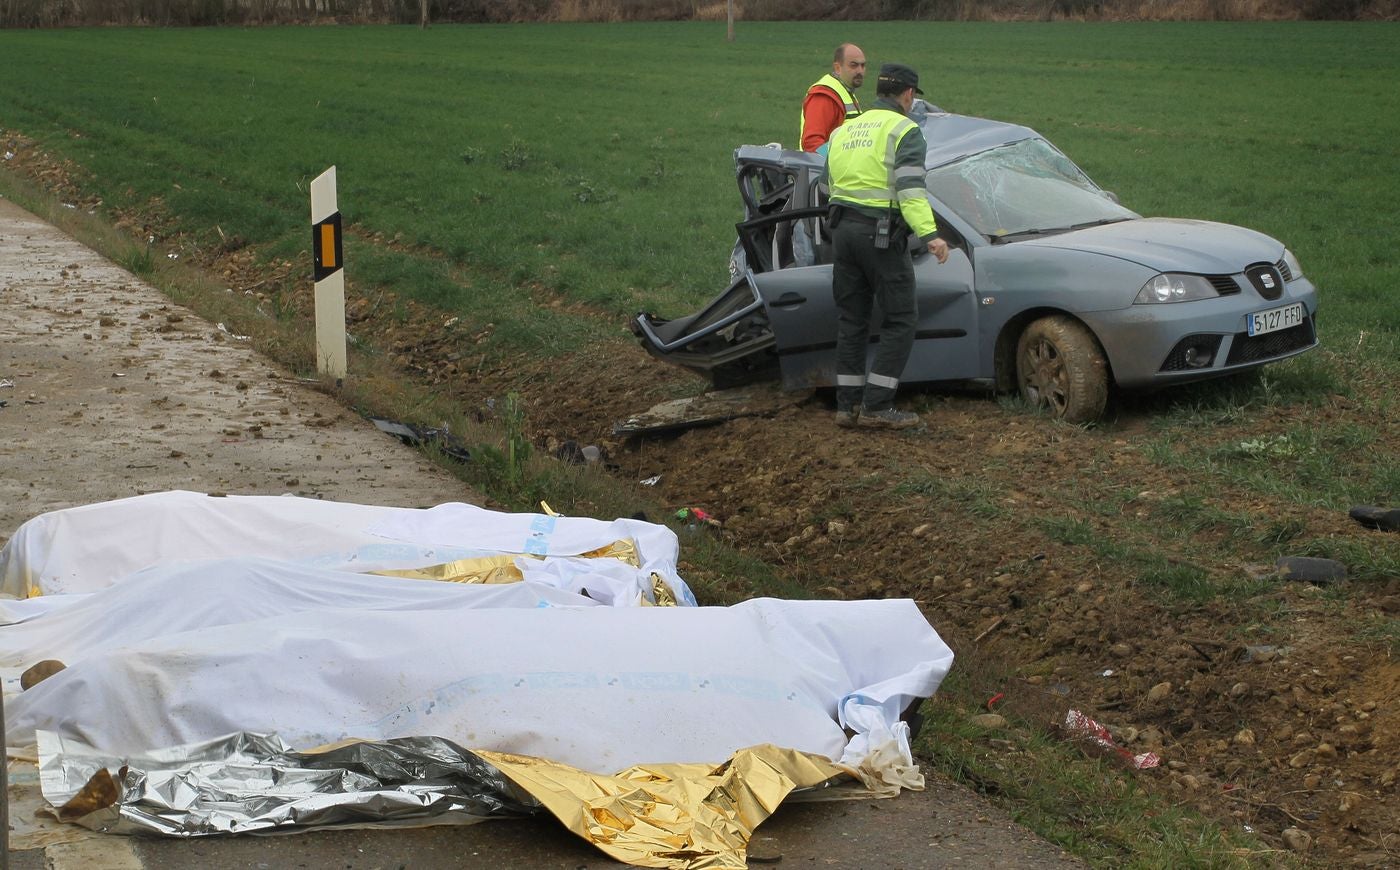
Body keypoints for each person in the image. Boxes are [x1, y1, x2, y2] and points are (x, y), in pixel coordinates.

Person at [825, 62, 950, 430]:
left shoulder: (844, 130)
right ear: (908, 94)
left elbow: (824, 181)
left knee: (852, 321)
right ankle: (878, 405)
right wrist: (931, 235)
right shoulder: (905, 129)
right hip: (879, 237)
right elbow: (911, 191)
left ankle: (846, 408)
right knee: (901, 318)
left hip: (842, 235)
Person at [800, 43, 866, 154]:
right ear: (837, 68)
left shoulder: (845, 91)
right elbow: (812, 144)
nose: (860, 71)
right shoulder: (825, 95)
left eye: (863, 65)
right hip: (824, 169)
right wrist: (837, 164)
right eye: (853, 65)